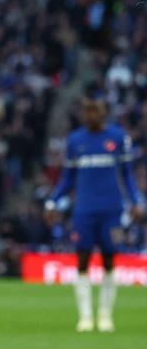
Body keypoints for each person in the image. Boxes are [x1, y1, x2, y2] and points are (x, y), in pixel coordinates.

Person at [45, 97, 142, 332]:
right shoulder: (75, 141)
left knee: (110, 260)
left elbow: (127, 176)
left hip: (112, 210)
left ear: (104, 113)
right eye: (88, 112)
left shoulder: (118, 138)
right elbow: (66, 179)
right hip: (84, 210)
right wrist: (52, 202)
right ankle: (86, 317)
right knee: (82, 260)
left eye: (96, 111)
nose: (92, 116)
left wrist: (137, 201)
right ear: (83, 115)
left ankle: (106, 315)